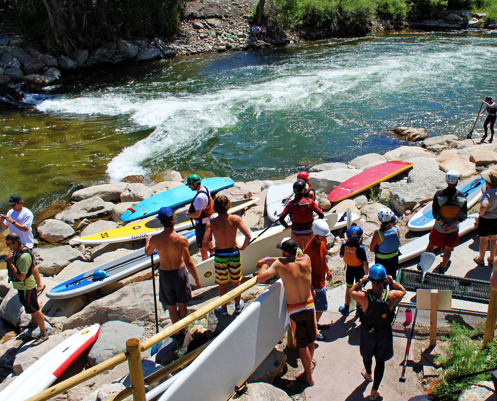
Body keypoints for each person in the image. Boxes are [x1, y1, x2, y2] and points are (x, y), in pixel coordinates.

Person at [256, 238, 316, 386]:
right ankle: (309, 365)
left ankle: (308, 377)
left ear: (284, 251)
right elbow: (288, 259)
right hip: (310, 305)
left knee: (302, 345)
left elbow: (260, 278)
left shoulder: (279, 265)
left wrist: (263, 264)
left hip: (296, 309)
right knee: (310, 340)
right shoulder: (306, 259)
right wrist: (269, 258)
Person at [350, 263, 406, 401]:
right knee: (380, 361)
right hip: (384, 333)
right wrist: (392, 281)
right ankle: (374, 391)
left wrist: (362, 280)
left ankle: (368, 374)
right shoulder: (391, 296)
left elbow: (351, 292)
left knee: (367, 355)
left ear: (371, 280)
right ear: (384, 280)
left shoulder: (364, 297)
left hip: (368, 332)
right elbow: (403, 291)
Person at [145, 207, 201, 324]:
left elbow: (148, 252)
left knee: (171, 306)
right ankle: (183, 327)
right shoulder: (181, 239)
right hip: (179, 273)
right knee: (182, 304)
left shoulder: (155, 239)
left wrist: (147, 241)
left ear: (161, 221)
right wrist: (196, 278)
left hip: (165, 274)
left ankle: (177, 332)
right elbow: (188, 261)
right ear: (174, 219)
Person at [203, 196, 251, 315]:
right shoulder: (236, 219)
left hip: (220, 255)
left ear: (215, 208)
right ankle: (238, 305)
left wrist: (211, 250)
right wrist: (243, 247)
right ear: (228, 205)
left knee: (222, 282)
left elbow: (204, 242)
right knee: (236, 281)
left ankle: (223, 308)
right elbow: (248, 236)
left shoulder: (212, 222)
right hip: (233, 252)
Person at [5, 233, 49, 345]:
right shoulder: (17, 252)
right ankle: (36, 323)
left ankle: (43, 333)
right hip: (22, 288)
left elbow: (21, 277)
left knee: (34, 310)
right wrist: (9, 259)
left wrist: (11, 265)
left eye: (9, 244)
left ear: (16, 243)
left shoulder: (24, 257)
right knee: (30, 308)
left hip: (26, 288)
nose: (8, 246)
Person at [1, 194, 44, 295]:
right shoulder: (10, 212)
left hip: (26, 243)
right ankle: (25, 284)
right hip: (14, 244)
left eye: (14, 204)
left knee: (31, 265)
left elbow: (25, 228)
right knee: (18, 264)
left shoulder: (27, 213)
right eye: (11, 205)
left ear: (20, 202)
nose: (12, 207)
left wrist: (13, 222)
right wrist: (1, 221)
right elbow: (5, 228)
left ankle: (40, 285)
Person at [425, 170, 468, 273]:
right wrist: (451, 225)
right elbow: (464, 215)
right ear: (457, 181)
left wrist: (443, 224)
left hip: (439, 227)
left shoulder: (439, 194)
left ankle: (424, 264)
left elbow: (435, 214)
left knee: (431, 244)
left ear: (446, 180)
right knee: (448, 249)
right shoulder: (462, 197)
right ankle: (443, 267)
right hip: (453, 229)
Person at [304, 219, 332, 340]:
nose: (325, 237)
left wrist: (327, 270)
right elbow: (307, 271)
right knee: (321, 307)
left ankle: (315, 324)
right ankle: (313, 330)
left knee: (318, 307)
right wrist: (311, 287)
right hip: (316, 284)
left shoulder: (323, 240)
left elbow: (323, 257)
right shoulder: (309, 250)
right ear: (316, 234)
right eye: (323, 235)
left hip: (321, 279)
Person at [278, 179, 324, 250]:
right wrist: (314, 223)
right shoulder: (310, 202)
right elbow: (321, 214)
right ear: (304, 190)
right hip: (308, 230)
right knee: (308, 251)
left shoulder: (291, 204)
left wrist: (287, 226)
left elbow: (281, 218)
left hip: (296, 231)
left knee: (297, 252)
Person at [339, 224, 368, 316]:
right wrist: (367, 273)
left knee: (348, 288)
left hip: (349, 270)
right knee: (358, 289)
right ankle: (358, 309)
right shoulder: (361, 248)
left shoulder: (344, 245)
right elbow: (365, 262)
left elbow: (341, 255)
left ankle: (346, 308)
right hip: (359, 270)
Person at [185, 174, 214, 261]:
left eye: (190, 185)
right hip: (208, 221)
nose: (189, 187)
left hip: (202, 225)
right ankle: (213, 254)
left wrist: (188, 215)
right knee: (209, 240)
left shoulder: (199, 198)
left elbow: (197, 215)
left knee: (202, 246)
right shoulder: (206, 189)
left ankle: (205, 262)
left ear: (195, 184)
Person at [474, 170, 497, 266]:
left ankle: (481, 259)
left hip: (486, 220)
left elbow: (484, 205)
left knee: (484, 240)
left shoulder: (488, 193)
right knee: (493, 239)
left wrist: (481, 214)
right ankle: (492, 259)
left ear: (488, 183)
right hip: (496, 219)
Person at [370, 207, 401, 278]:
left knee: (381, 279)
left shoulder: (378, 233)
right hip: (394, 258)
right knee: (392, 278)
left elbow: (371, 249)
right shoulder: (397, 229)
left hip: (382, 260)